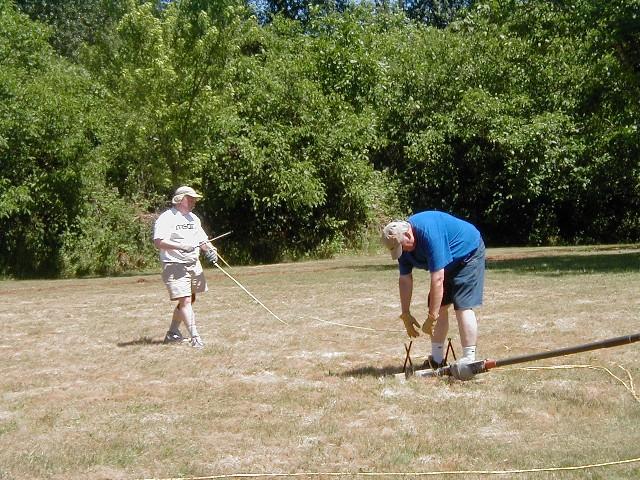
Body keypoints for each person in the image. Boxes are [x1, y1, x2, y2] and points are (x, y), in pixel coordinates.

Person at [381, 211, 486, 368]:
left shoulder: (429, 234)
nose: (403, 253)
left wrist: (432, 317)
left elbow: (437, 279)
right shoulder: (401, 247)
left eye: (402, 248)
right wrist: (405, 313)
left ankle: (469, 360)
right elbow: (405, 279)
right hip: (447, 262)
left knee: (462, 306)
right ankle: (436, 361)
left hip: (468, 253)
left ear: (408, 235)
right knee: (439, 305)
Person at [153, 186, 218, 349]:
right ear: (180, 199)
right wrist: (181, 246)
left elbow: (202, 241)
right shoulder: (167, 218)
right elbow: (158, 242)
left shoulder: (193, 219)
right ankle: (195, 337)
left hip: (193, 264)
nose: (194, 201)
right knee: (186, 300)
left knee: (190, 299)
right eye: (191, 198)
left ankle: (173, 333)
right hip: (174, 265)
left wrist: (211, 250)